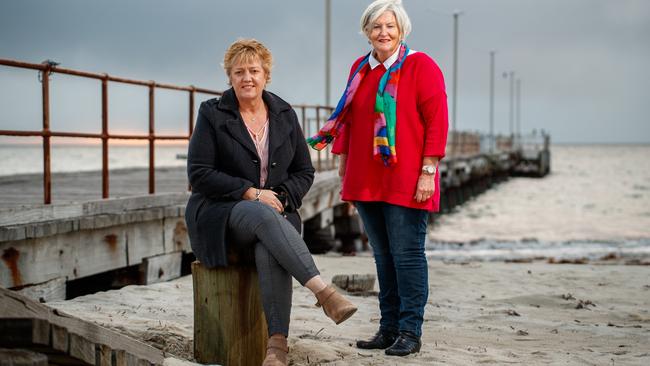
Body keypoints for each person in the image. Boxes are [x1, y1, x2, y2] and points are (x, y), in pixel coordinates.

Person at [185, 39, 357, 366]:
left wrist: (281, 196)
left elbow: (304, 171)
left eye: (254, 70)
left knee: (269, 244)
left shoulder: (283, 113)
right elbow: (199, 173)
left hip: (276, 212)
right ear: (230, 77)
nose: (247, 77)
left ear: (266, 75)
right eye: (239, 72)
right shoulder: (212, 113)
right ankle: (324, 292)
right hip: (221, 214)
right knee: (259, 213)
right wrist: (250, 192)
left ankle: (276, 347)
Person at [308, 0, 448, 357]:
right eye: (376, 27)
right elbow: (350, 117)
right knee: (383, 256)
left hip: (407, 176)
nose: (383, 33)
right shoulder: (360, 67)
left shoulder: (421, 65)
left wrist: (428, 171)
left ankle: (410, 331)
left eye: (390, 26)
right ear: (366, 31)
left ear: (402, 29)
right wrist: (343, 167)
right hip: (366, 176)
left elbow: (437, 121)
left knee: (407, 255)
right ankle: (387, 329)